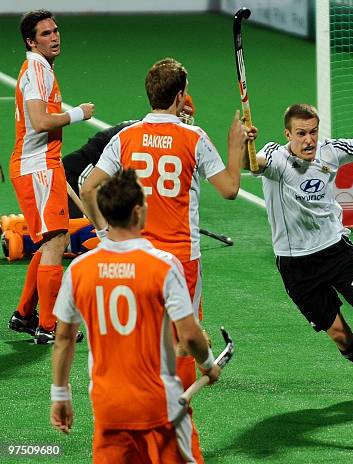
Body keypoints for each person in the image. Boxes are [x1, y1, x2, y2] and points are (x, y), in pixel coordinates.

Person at [80, 58, 248, 389]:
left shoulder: (126, 137)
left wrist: (105, 236)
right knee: (185, 338)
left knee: (140, 334)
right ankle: (176, 418)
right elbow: (229, 189)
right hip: (180, 259)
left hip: (134, 255)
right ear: (181, 96)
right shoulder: (194, 138)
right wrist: (235, 145)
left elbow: (87, 189)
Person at [50, 169, 219, 463]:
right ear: (138, 212)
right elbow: (190, 334)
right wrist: (208, 364)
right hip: (157, 405)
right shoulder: (162, 265)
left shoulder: (79, 269)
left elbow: (63, 338)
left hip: (107, 407)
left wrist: (60, 395)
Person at [245, 103, 353, 397]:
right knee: (340, 336)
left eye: (313, 132)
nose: (309, 139)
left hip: (335, 252)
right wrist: (245, 143)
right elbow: (252, 164)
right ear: (288, 134)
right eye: (301, 133)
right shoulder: (275, 157)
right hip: (296, 266)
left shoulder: (330, 151)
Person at [8, 9, 94, 344]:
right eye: (45, 33)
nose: (54, 37)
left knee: (49, 243)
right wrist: (78, 114)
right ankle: (50, 325)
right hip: (37, 167)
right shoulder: (37, 69)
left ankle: (26, 314)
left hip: (42, 165)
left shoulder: (40, 68)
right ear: (31, 41)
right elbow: (41, 121)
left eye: (55, 31)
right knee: (57, 242)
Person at [63, 96, 196, 218]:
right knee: (92, 233)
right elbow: (92, 185)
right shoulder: (140, 136)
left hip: (99, 181)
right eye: (180, 118)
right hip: (79, 176)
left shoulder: (153, 135)